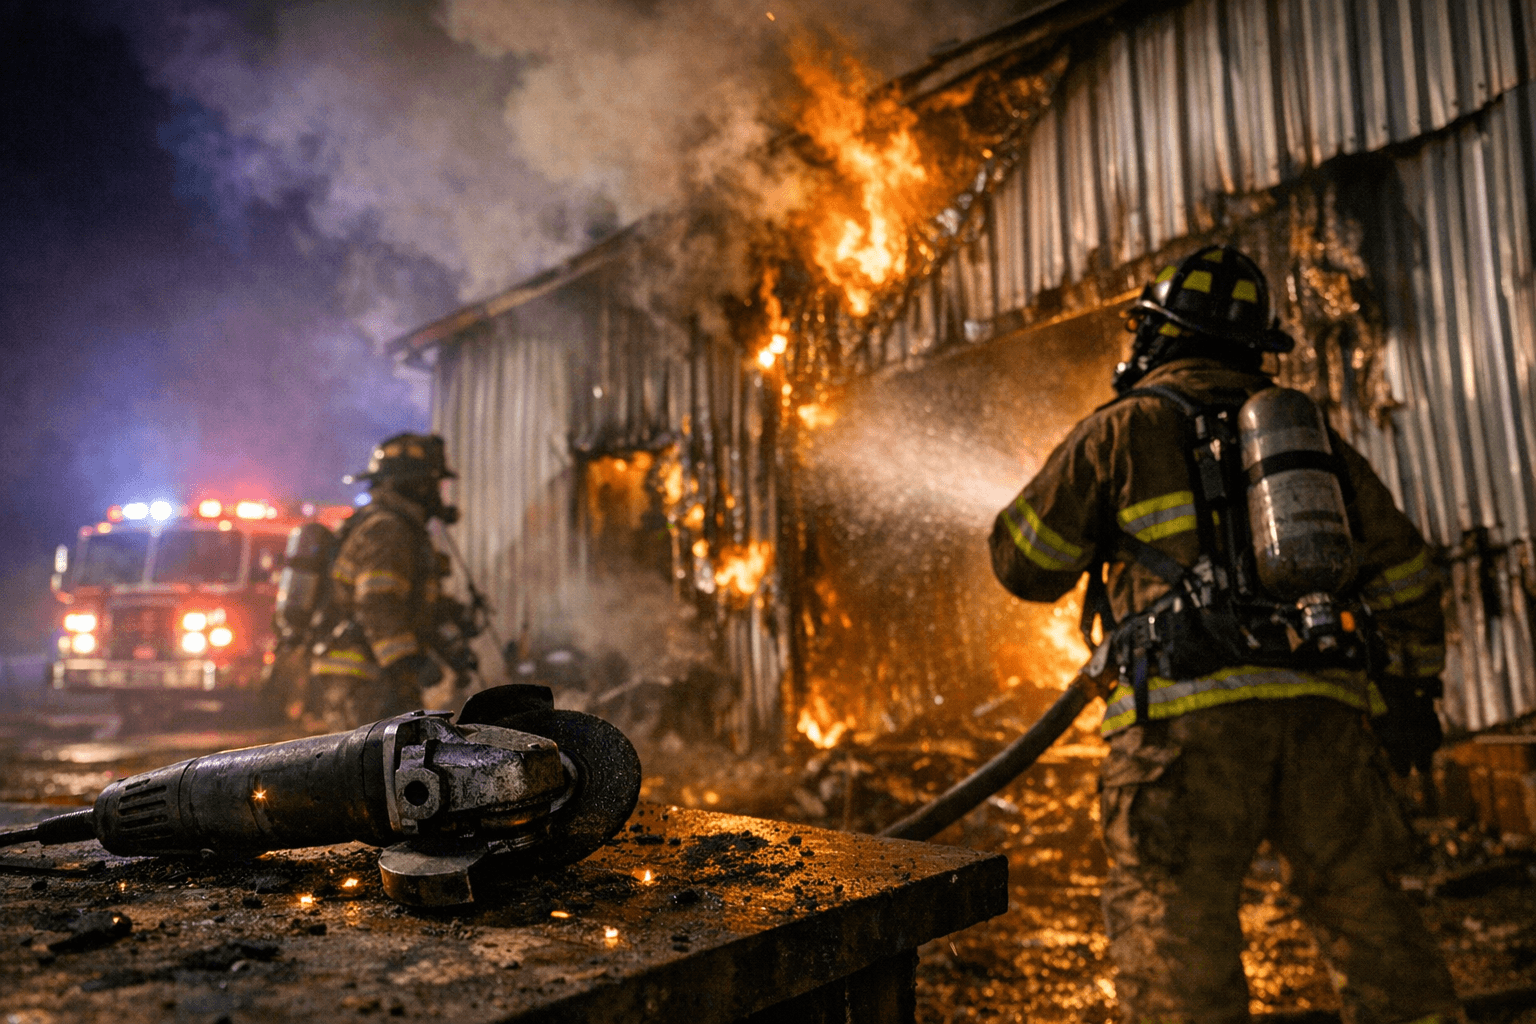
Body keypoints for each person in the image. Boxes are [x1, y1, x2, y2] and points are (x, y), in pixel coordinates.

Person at [989, 246, 1458, 1023]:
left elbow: (1024, 563)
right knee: (1373, 920)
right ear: (1253, 346)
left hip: (1184, 733)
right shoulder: (1310, 443)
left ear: (1158, 337)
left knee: (1177, 931)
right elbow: (1406, 570)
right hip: (1326, 721)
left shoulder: (1123, 429)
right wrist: (1410, 690)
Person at [309, 433, 477, 729]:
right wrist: (408, 661)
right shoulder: (389, 530)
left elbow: (409, 604)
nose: (439, 493)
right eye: (435, 483)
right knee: (375, 769)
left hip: (376, 676)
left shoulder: (402, 529)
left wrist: (453, 625)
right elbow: (378, 604)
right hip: (364, 679)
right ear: (417, 483)